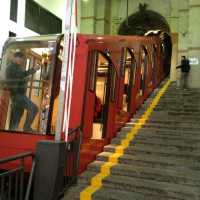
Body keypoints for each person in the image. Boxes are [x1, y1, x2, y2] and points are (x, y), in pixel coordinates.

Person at [6, 51, 40, 131]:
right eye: (20, 59)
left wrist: (29, 74)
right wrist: (32, 71)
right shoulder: (11, 67)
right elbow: (20, 76)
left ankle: (11, 136)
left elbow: (21, 76)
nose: (21, 61)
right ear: (15, 57)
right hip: (18, 95)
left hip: (17, 96)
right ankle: (27, 127)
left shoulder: (16, 67)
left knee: (16, 119)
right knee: (34, 108)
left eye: (22, 59)